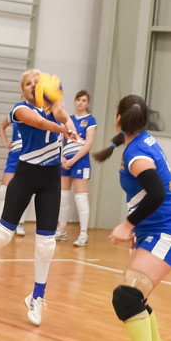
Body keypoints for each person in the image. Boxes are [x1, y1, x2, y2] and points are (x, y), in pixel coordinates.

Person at [92, 94, 171, 341]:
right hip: (156, 231)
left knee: (127, 297)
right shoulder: (141, 142)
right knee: (136, 297)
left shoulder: (136, 154)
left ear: (118, 119)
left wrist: (128, 224)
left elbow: (157, 193)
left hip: (167, 234)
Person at [0, 69, 78, 326]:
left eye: (37, 82)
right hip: (25, 175)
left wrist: (69, 124)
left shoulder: (53, 106)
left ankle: (37, 297)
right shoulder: (19, 110)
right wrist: (63, 129)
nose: (33, 86)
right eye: (28, 83)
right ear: (23, 89)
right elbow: (39, 123)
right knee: (3, 235)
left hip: (50, 178)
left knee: (46, 244)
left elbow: (61, 113)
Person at [55, 89, 96, 247]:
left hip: (80, 162)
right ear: (74, 101)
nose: (80, 102)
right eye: (78, 99)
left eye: (84, 100)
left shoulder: (90, 120)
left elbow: (88, 144)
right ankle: (61, 230)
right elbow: (62, 140)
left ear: (87, 103)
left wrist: (73, 160)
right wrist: (62, 158)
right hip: (65, 162)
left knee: (80, 197)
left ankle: (83, 234)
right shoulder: (69, 119)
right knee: (63, 196)